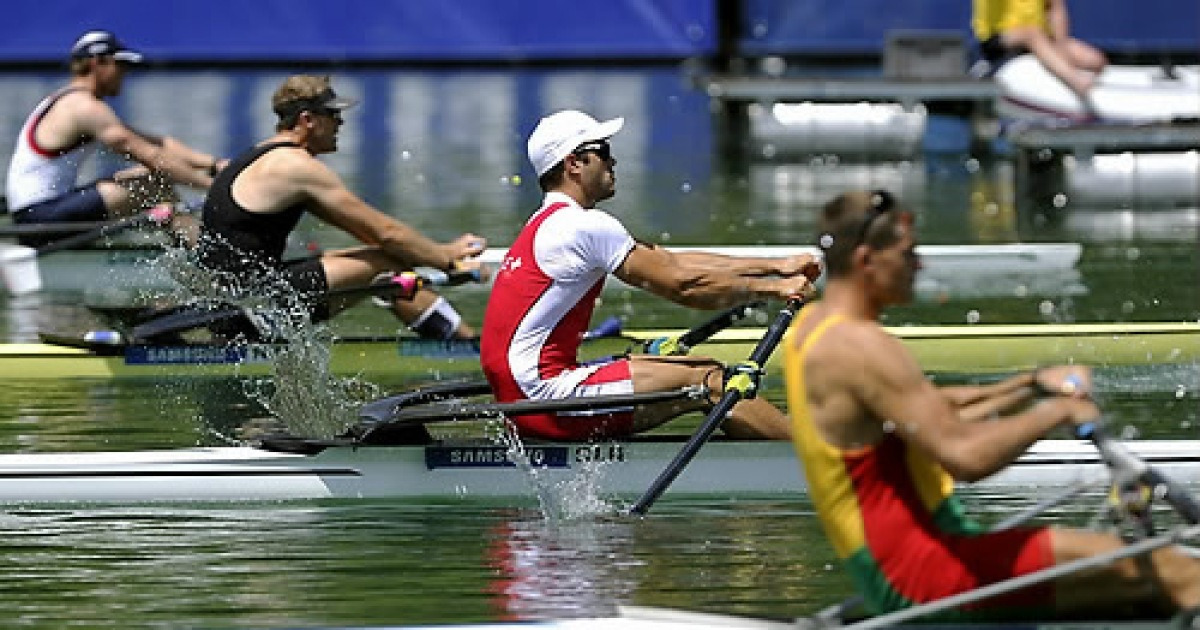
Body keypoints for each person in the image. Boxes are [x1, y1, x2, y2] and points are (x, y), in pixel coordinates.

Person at [783, 189, 1200, 620]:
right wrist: (1057, 412)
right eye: (909, 253)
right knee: (1178, 571)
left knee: (1143, 591)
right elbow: (965, 457)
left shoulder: (813, 328)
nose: (919, 265)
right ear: (868, 260)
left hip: (906, 565)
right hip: (923, 574)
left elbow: (928, 407)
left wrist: (1031, 385)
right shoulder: (861, 346)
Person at [479, 109, 821, 441]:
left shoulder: (547, 222)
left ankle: (775, 439)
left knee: (688, 364)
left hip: (520, 397)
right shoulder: (583, 226)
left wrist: (777, 265)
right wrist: (773, 290)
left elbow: (672, 263)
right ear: (574, 164)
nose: (613, 162)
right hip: (545, 399)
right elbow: (683, 287)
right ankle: (816, 458)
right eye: (604, 152)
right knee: (712, 380)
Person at [196, 74, 487, 340]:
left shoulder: (259, 155)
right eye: (333, 114)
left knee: (359, 256)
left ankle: (455, 338)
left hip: (233, 302)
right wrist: (448, 260)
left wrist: (435, 254)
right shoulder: (295, 167)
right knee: (385, 266)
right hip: (251, 309)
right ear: (308, 120)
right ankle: (468, 345)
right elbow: (386, 233)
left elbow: (371, 234)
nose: (340, 123)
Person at [5, 30, 221, 242]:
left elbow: (157, 144)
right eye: (120, 65)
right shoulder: (84, 108)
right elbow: (153, 157)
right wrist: (213, 187)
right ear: (97, 63)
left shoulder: (70, 100)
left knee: (145, 177)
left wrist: (214, 164)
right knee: (153, 186)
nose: (124, 73)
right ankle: (209, 258)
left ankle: (191, 245)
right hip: (38, 218)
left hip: (37, 211)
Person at [972, 0, 1107, 96]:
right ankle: (1075, 81)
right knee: (1031, 33)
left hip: (1040, 39)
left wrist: (1062, 49)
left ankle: (1070, 96)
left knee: (1094, 60)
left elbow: (1056, 9)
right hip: (999, 39)